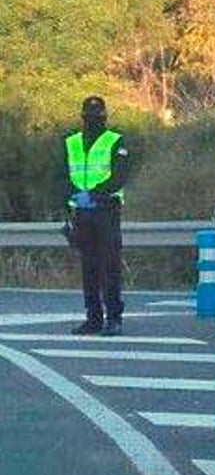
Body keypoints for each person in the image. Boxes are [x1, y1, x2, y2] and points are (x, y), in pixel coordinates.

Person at [65, 96, 130, 337]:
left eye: (97, 116)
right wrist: (73, 198)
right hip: (81, 211)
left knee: (109, 266)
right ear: (83, 117)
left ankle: (113, 318)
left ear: (104, 117)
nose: (93, 120)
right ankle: (93, 318)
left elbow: (119, 177)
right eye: (89, 116)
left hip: (106, 210)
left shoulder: (115, 141)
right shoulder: (71, 142)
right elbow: (61, 175)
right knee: (89, 267)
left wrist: (93, 194)